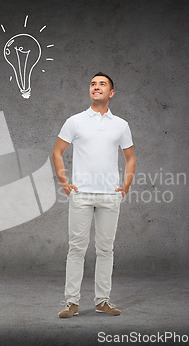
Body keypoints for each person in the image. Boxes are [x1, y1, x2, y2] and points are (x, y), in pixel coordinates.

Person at [52, 72, 136, 318]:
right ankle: (71, 303)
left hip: (110, 196)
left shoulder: (120, 124)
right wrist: (64, 182)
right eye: (93, 84)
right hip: (81, 195)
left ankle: (102, 301)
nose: (96, 87)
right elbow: (57, 152)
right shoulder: (75, 121)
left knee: (105, 250)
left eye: (102, 84)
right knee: (76, 248)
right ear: (90, 90)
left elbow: (130, 158)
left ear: (111, 93)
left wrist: (126, 186)